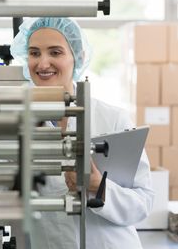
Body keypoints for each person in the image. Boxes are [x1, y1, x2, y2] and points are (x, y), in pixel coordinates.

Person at [10, 17, 154, 249]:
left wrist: (98, 187)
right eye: (34, 53)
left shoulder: (112, 118)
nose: (43, 63)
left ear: (77, 57)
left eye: (55, 52)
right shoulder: (15, 125)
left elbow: (143, 202)